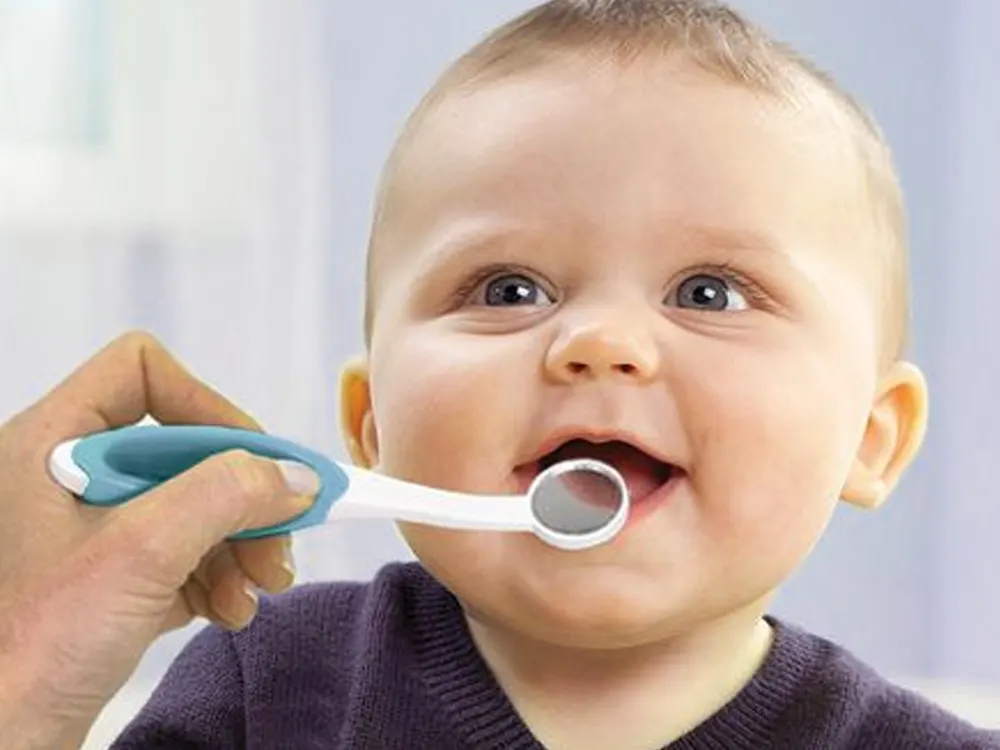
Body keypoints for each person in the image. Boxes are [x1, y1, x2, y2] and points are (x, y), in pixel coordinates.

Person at [3, 1, 999, 748]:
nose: (600, 342)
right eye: (510, 288)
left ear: (870, 440)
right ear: (372, 426)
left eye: (709, 294)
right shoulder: (266, 687)